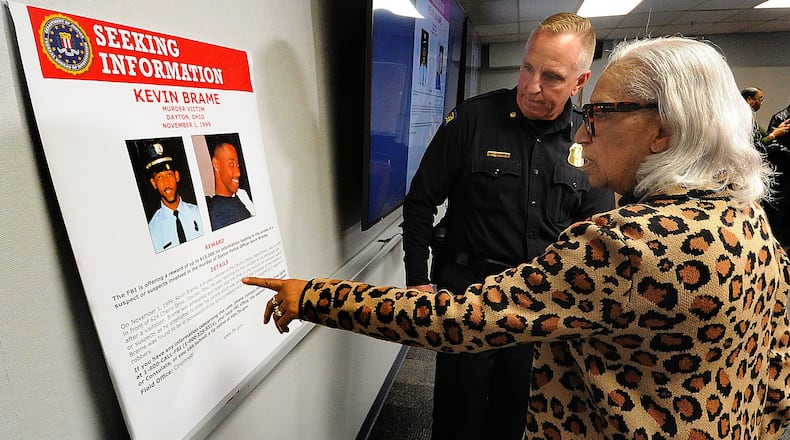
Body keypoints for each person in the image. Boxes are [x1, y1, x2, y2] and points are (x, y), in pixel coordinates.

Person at [245, 36, 790, 439]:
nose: (582, 132)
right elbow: (776, 378)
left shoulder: (632, 246)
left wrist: (316, 296)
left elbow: (462, 321)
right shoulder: (749, 221)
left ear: (664, 130)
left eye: (598, 115)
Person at [401, 12, 614, 440]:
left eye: (551, 77)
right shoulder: (473, 121)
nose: (531, 86)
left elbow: (596, 238)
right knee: (457, 418)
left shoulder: (589, 141)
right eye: (527, 68)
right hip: (468, 296)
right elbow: (421, 201)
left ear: (580, 81)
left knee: (516, 419)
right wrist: (417, 280)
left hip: (539, 309)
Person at [143, 141, 203, 252]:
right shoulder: (153, 230)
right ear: (153, 183)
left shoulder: (199, 213)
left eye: (169, 174)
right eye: (159, 177)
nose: (166, 183)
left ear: (176, 176)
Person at [206, 142, 255, 230]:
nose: (238, 173)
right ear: (216, 164)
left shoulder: (242, 195)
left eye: (238, 165)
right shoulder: (215, 214)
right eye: (231, 164)